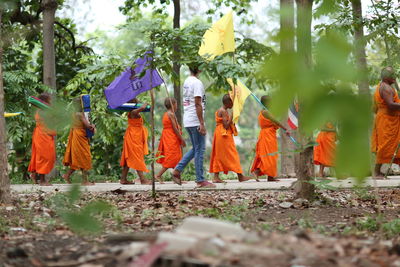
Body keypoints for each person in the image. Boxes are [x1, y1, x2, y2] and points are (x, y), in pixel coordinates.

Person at [172, 64, 215, 188]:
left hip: (188, 119)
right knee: (200, 149)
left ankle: (177, 171)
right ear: (199, 68)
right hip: (195, 120)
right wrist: (202, 123)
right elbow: (197, 103)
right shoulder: (197, 83)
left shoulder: (187, 81)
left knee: (196, 148)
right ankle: (200, 180)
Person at [209, 94, 251, 183]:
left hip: (219, 133)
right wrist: (232, 115)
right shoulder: (223, 111)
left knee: (219, 154)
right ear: (227, 102)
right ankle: (240, 176)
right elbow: (226, 125)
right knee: (232, 154)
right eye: (232, 102)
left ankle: (216, 177)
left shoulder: (221, 110)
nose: (233, 104)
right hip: (223, 134)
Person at [251, 95, 290, 182]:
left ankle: (270, 176)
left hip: (269, 135)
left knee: (271, 155)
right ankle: (257, 172)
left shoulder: (267, 111)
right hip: (267, 136)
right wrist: (285, 128)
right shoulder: (265, 112)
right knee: (268, 156)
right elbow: (276, 121)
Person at [371, 66, 400, 178]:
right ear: (386, 77)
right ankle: (376, 172)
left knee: (395, 144)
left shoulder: (381, 86)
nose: (394, 77)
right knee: (385, 144)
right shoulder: (386, 88)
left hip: (387, 118)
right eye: (392, 75)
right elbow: (391, 105)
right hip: (387, 119)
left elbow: (374, 108)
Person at [62, 98, 96, 185]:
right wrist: (93, 125)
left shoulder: (73, 114)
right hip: (80, 136)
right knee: (85, 156)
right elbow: (88, 126)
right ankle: (85, 181)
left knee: (78, 158)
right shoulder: (80, 114)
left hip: (75, 135)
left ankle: (67, 175)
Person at [120, 98, 151, 185]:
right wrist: (145, 104)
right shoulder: (133, 112)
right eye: (136, 99)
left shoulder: (133, 112)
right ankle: (143, 179)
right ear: (133, 102)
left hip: (134, 136)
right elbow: (143, 107)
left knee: (129, 157)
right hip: (133, 137)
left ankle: (123, 179)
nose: (138, 100)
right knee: (137, 157)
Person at [28, 93, 56, 186]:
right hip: (43, 134)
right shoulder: (43, 111)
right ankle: (42, 180)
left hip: (41, 134)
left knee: (40, 155)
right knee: (46, 156)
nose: (51, 102)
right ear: (45, 101)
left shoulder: (42, 110)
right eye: (49, 100)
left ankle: (34, 175)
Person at [155, 97, 186, 183]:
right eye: (176, 104)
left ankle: (177, 178)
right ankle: (158, 175)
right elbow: (175, 128)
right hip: (171, 137)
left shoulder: (167, 114)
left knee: (177, 157)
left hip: (168, 136)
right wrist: (182, 139)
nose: (177, 106)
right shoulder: (170, 114)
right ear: (173, 105)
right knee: (171, 157)